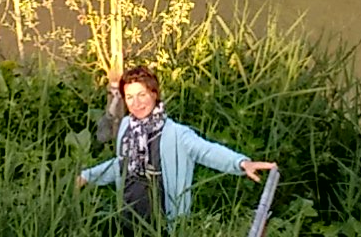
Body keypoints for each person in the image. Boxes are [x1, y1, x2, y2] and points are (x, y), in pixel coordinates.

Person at [77, 65, 274, 227]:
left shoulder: (176, 134)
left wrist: (241, 163)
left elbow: (206, 151)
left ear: (154, 94)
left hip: (164, 227)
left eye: (142, 95)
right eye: (129, 97)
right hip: (128, 220)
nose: (136, 103)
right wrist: (88, 176)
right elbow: (122, 165)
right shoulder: (127, 126)